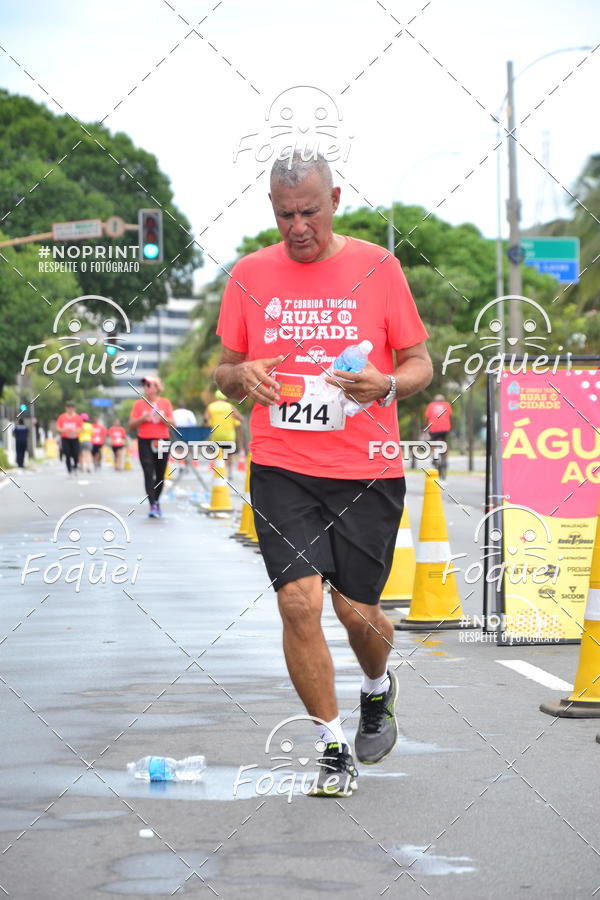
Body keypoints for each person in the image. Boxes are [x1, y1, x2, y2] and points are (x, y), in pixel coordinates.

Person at [214, 152, 432, 797]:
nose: (298, 226)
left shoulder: (379, 267)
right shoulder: (250, 274)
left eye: (309, 211)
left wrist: (386, 384)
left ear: (334, 200)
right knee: (298, 601)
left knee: (357, 611)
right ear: (272, 209)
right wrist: (240, 376)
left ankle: (376, 686)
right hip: (282, 466)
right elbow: (224, 372)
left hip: (366, 467)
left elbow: (420, 363)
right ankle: (332, 746)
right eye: (285, 215)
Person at [129, 376, 175, 518]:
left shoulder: (165, 403)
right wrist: (143, 418)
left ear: (157, 387)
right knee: (148, 472)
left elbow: (173, 424)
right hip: (144, 440)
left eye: (149, 384)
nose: (146, 387)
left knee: (160, 474)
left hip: (162, 440)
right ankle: (152, 504)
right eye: (144, 385)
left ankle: (156, 500)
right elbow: (131, 425)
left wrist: (162, 417)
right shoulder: (138, 404)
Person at [204, 389, 243, 478]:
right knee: (229, 455)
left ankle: (218, 473)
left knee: (217, 455)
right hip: (229, 435)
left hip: (216, 435)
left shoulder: (211, 407)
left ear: (216, 397)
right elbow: (240, 418)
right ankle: (229, 473)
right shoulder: (230, 407)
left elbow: (205, 420)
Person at [424, 393, 452, 481]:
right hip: (445, 428)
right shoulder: (447, 405)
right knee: (445, 442)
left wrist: (425, 427)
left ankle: (434, 456)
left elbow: (427, 418)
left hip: (434, 428)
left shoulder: (431, 405)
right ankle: (445, 458)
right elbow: (450, 416)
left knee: (432, 442)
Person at [56, 401, 82, 475]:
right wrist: (64, 430)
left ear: (74, 408)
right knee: (67, 454)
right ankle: (69, 469)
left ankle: (75, 466)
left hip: (75, 439)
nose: (70, 409)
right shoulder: (62, 417)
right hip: (65, 438)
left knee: (75, 454)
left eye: (71, 408)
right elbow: (58, 428)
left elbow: (80, 429)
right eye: (68, 408)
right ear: (66, 408)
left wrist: (74, 431)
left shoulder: (78, 417)